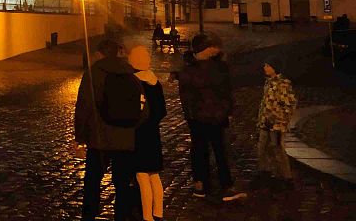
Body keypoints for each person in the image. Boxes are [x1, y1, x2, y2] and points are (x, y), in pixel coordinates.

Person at [73, 39, 146, 221]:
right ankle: (122, 215)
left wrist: (80, 136)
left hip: (99, 139)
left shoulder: (94, 73)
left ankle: (89, 215)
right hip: (125, 138)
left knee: (92, 181)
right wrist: (131, 128)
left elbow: (84, 106)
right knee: (122, 183)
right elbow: (144, 108)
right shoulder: (131, 74)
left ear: (99, 54)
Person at [176, 34, 245, 202]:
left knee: (217, 151)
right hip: (202, 118)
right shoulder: (194, 69)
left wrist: (226, 111)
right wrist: (191, 116)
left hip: (213, 117)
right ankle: (204, 184)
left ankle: (220, 184)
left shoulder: (216, 66)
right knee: (203, 151)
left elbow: (226, 91)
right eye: (212, 47)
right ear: (205, 49)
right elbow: (187, 97)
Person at [128, 46, 167, 221]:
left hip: (138, 133)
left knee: (142, 176)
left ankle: (147, 216)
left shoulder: (132, 82)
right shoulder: (154, 81)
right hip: (153, 133)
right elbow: (162, 110)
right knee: (155, 175)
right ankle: (158, 212)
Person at [256, 56, 297, 190]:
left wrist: (277, 118)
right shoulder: (268, 82)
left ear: (275, 68)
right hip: (265, 123)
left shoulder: (283, 83)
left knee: (277, 149)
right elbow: (265, 103)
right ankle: (265, 172)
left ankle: (286, 177)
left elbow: (289, 104)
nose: (265, 68)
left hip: (276, 124)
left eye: (268, 66)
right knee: (262, 148)